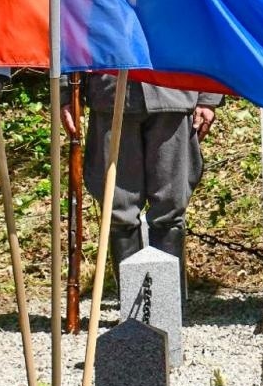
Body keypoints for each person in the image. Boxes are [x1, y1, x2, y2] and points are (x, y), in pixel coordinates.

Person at [63, 77, 222, 287]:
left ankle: (167, 300)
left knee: (170, 210)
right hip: (111, 92)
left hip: (173, 87)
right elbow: (66, 53)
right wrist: (66, 93)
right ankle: (131, 301)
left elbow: (213, 52)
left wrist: (208, 96)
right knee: (118, 210)